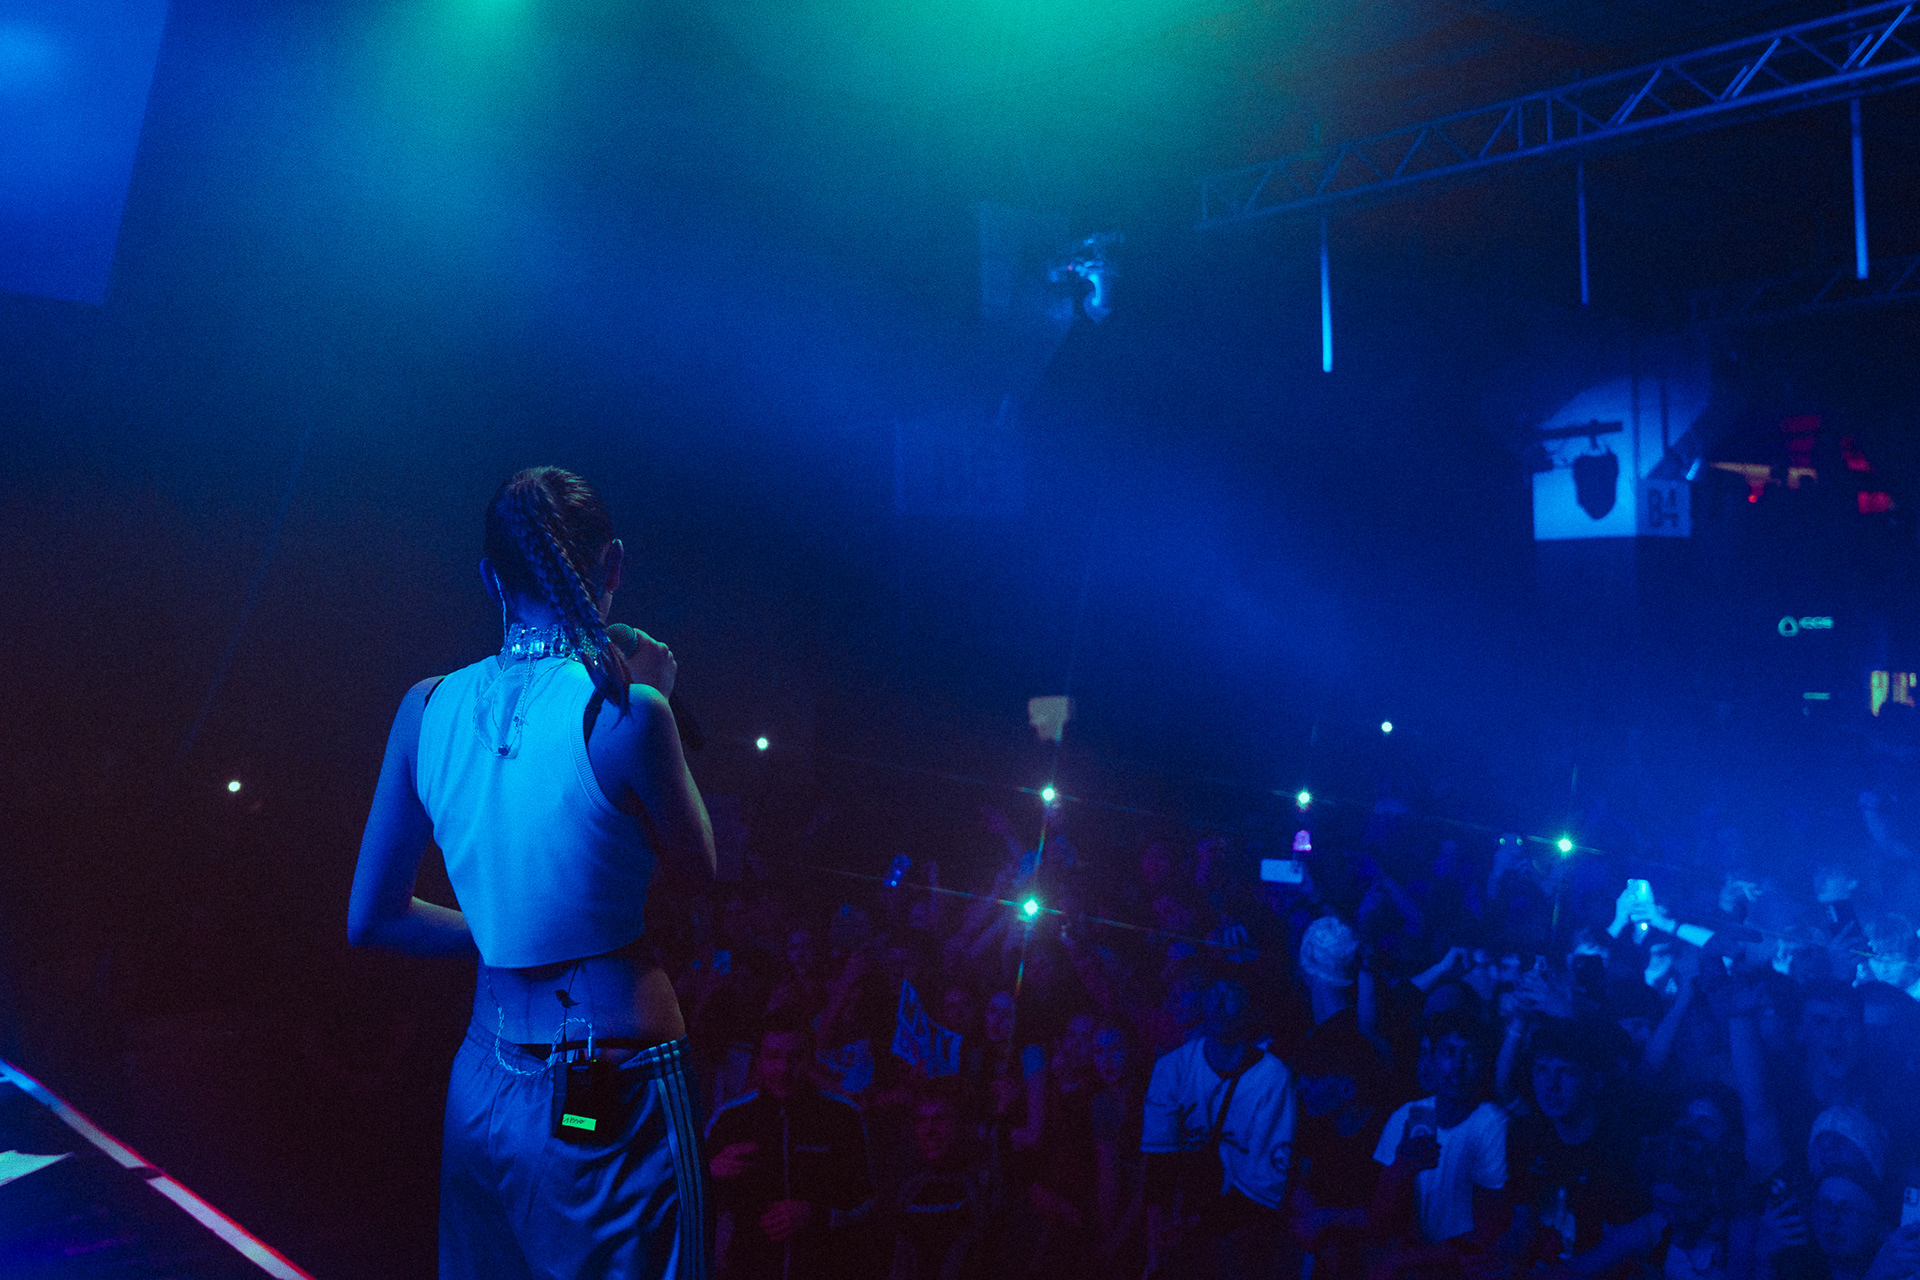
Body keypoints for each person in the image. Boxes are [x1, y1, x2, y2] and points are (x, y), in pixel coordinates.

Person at [348, 467, 716, 1280]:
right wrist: (655, 698)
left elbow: (371, 919)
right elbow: (701, 873)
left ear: (491, 578)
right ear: (611, 565)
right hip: (611, 1081)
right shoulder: (627, 712)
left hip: (481, 1083)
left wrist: (503, 935)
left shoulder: (424, 707)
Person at [706, 1011, 877, 1279]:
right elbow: (683, 1203)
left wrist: (815, 1216)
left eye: (795, 1056)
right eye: (773, 1056)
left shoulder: (843, 1117)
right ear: (759, 1060)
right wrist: (709, 1172)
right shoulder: (730, 1119)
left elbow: (869, 1202)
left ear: (811, 1058)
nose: (783, 1069)